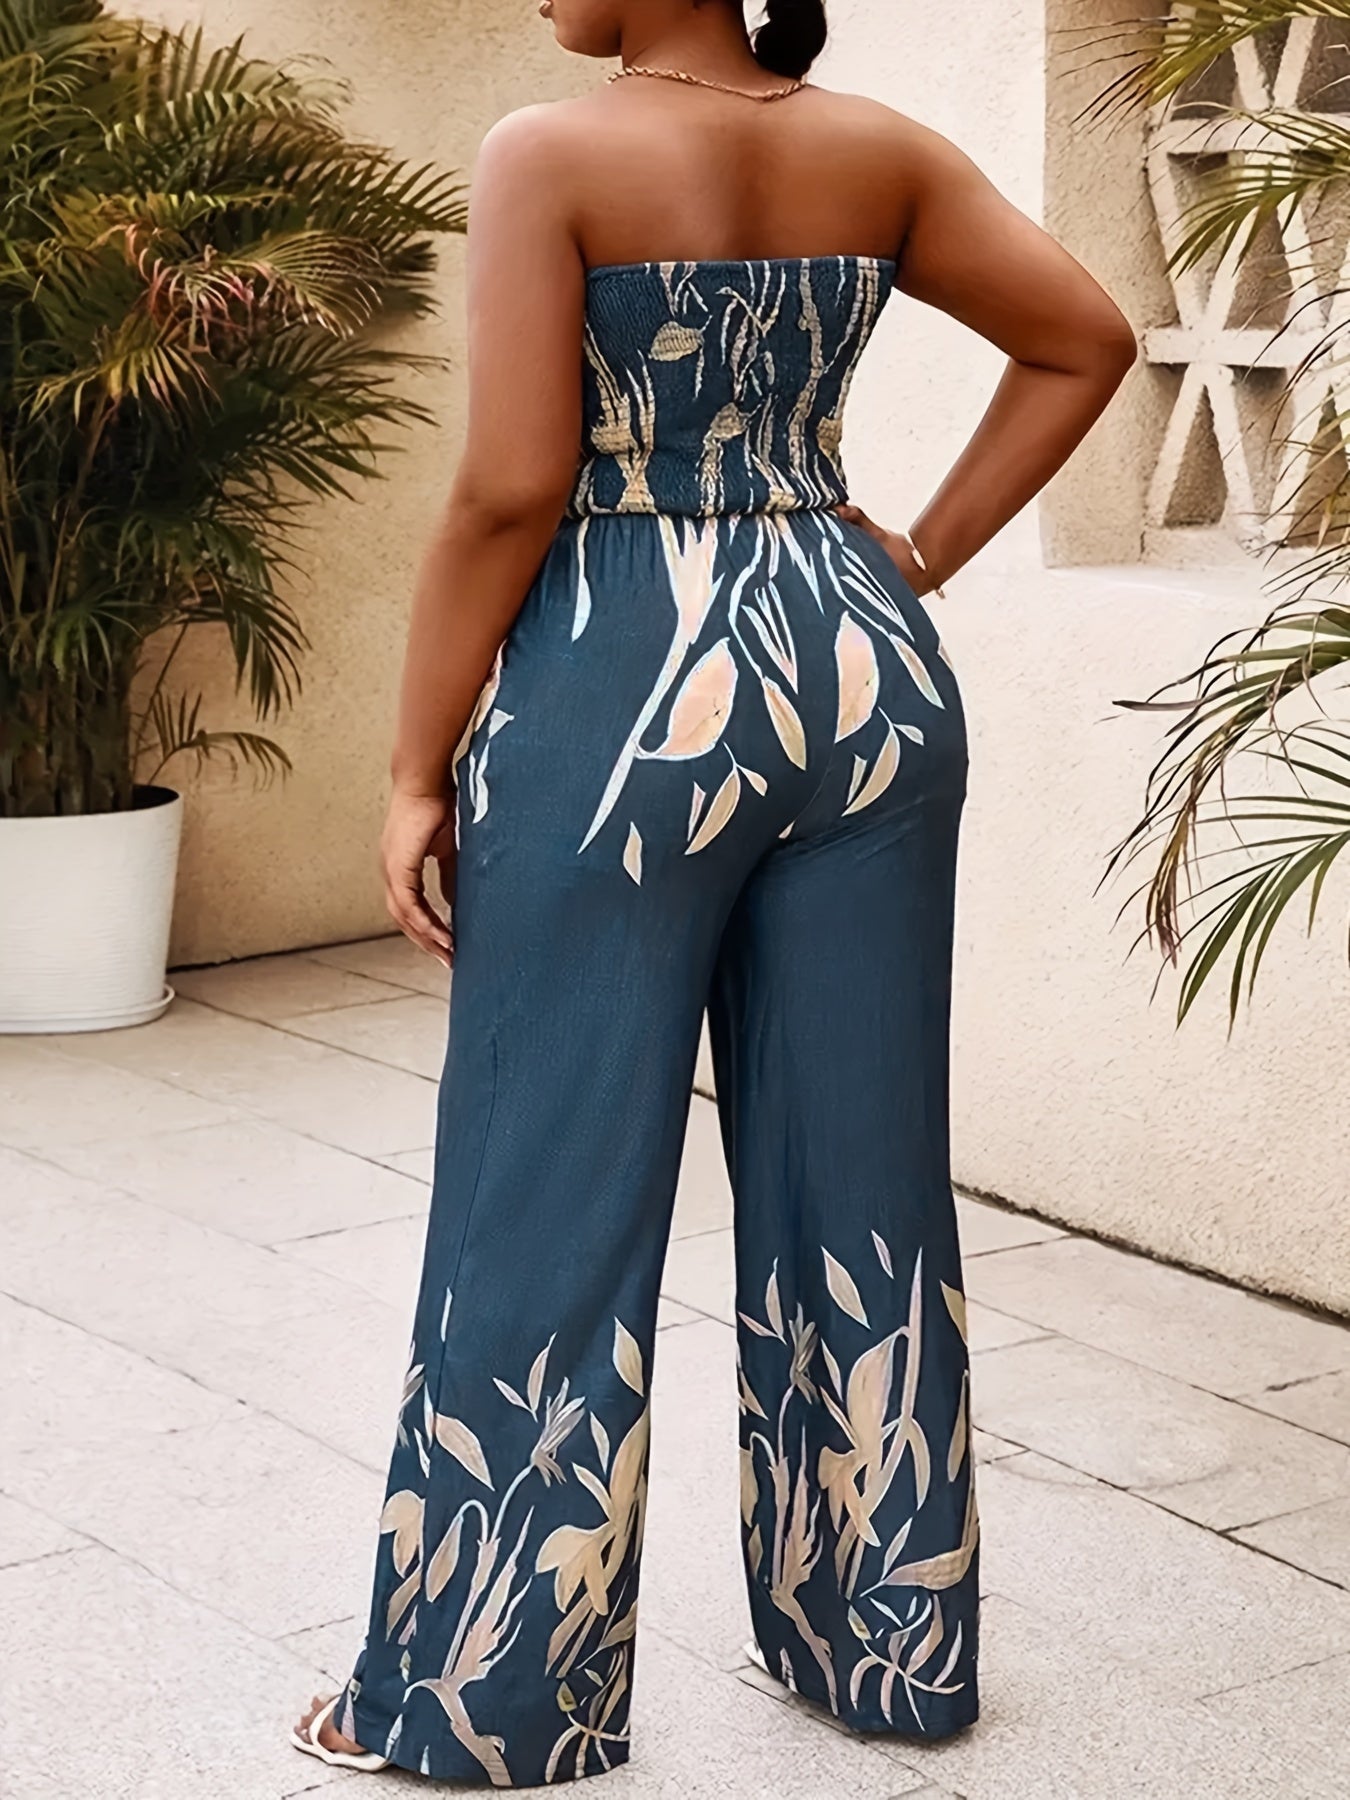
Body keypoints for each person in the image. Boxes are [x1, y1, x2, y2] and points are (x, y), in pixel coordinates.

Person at [292, 0, 1135, 1784]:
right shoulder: (880, 149)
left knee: (544, 1173)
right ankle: (883, 1650)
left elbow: (511, 487)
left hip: (625, 689)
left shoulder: (548, 152)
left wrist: (415, 759)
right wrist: (910, 553)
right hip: (861, 674)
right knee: (863, 1175)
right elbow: (1084, 339)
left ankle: (474, 1694)